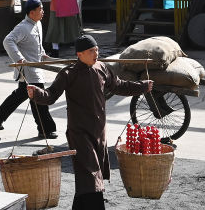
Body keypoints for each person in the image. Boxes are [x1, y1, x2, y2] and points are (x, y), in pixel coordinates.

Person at [27, 35, 152, 210]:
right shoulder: (68, 73)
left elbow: (119, 85)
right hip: (79, 133)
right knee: (91, 175)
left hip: (99, 132)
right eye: (91, 51)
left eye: (97, 50)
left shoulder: (102, 68)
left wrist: (142, 86)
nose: (96, 54)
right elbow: (51, 95)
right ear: (79, 54)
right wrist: (36, 93)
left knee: (88, 179)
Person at [0, 0, 58, 139]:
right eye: (40, 9)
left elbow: (37, 44)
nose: (43, 12)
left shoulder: (37, 23)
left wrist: (43, 54)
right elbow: (8, 41)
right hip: (29, 70)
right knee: (39, 98)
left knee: (21, 94)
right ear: (31, 13)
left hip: (36, 67)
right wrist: (19, 59)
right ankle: (46, 129)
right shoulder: (23, 27)